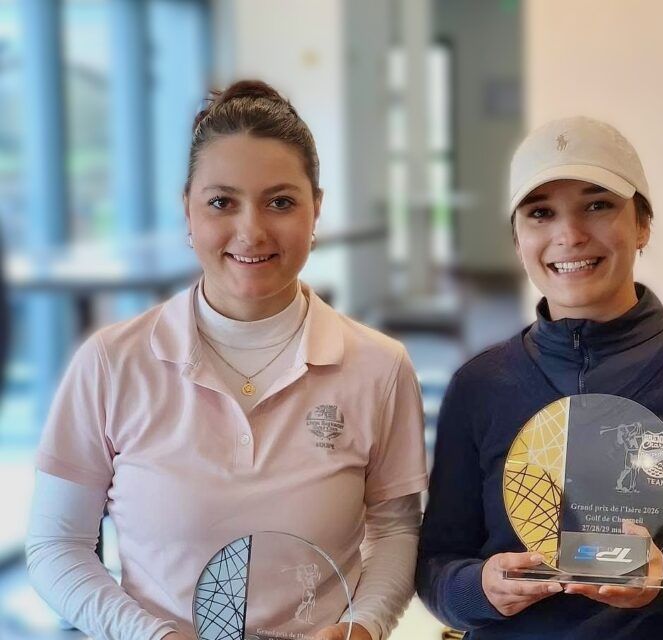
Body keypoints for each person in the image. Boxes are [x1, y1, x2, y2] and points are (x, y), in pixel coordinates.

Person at [26, 80, 427, 640]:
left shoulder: (379, 367)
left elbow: (396, 531)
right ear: (186, 211)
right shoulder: (111, 363)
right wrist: (151, 635)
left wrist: (363, 628)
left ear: (317, 210)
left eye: (281, 202)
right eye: (222, 202)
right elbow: (56, 545)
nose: (251, 230)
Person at [415, 116, 663, 638]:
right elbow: (435, 566)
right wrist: (481, 588)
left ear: (643, 225)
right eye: (540, 213)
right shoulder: (480, 385)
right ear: (517, 240)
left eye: (598, 205)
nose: (570, 234)